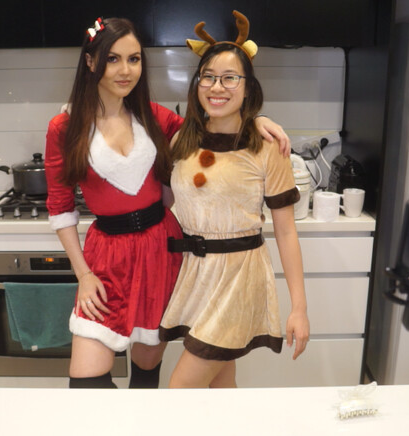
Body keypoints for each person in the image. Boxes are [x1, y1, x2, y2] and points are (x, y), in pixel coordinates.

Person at [45, 16, 291, 389]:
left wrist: (256, 120)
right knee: (86, 385)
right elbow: (61, 207)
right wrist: (84, 275)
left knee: (147, 377)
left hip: (161, 252)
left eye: (134, 59)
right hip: (105, 259)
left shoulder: (154, 117)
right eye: (113, 59)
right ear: (91, 62)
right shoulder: (64, 128)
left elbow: (213, 128)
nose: (125, 70)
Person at [159, 11, 310, 388]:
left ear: (247, 86)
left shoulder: (268, 147)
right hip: (196, 276)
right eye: (208, 76)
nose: (217, 86)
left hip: (239, 277)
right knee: (220, 387)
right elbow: (164, 203)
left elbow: (286, 231)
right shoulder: (181, 141)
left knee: (180, 389)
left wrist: (299, 308)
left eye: (230, 77)